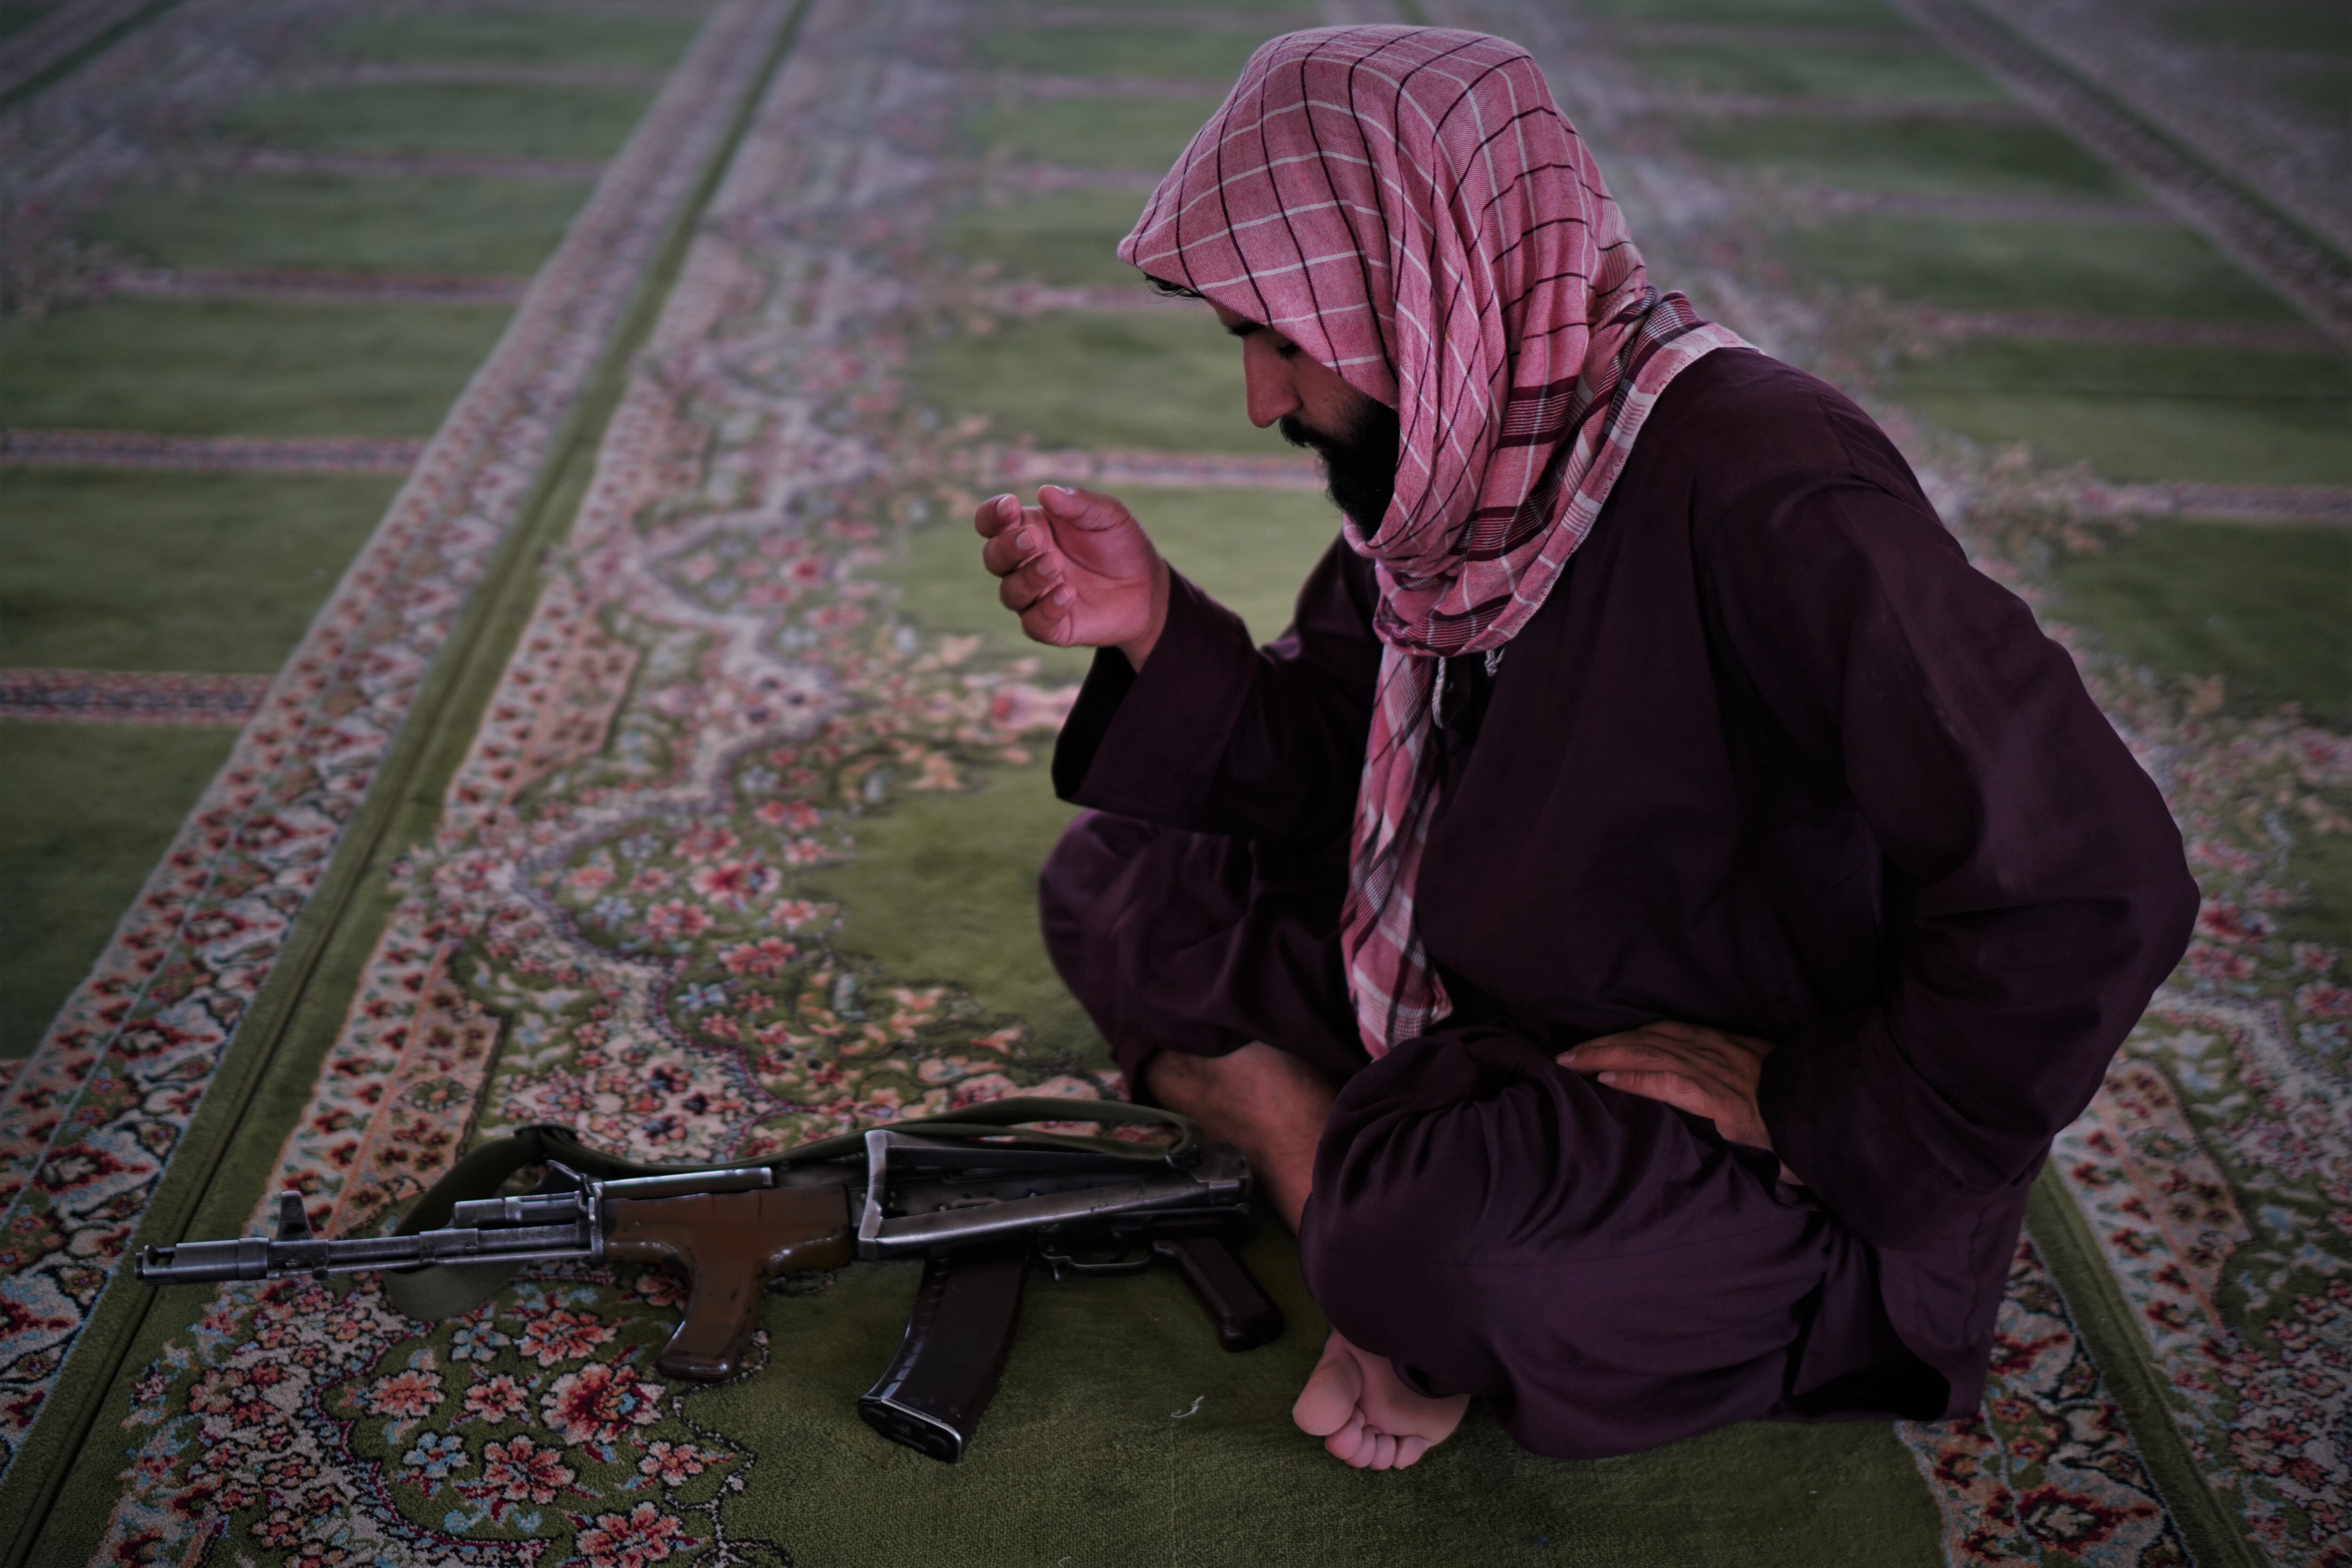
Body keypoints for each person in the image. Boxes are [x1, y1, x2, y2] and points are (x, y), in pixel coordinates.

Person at [971, 26, 2196, 1472]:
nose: (1263, 401)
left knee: (1456, 1254)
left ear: (1412, 287)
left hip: (1696, 1090)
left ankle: (1347, 1207)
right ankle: (1304, 1138)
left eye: (1283, 340)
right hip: (1487, 970)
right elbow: (1342, 754)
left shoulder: (1773, 483)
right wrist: (1156, 627)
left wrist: (1808, 1099)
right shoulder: (1469, 442)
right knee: (1118, 868)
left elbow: (2092, 880)